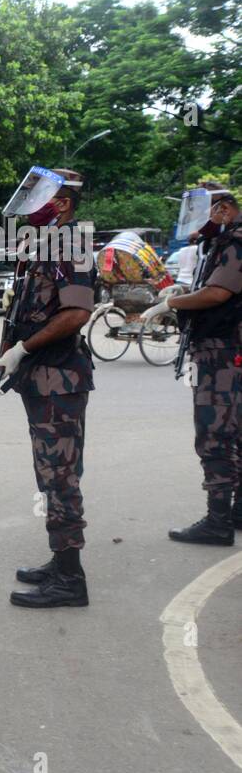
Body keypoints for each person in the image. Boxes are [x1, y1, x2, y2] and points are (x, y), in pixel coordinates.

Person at [0, 168, 95, 608]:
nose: (32, 203)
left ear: (64, 203)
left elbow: (75, 314)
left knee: (60, 477)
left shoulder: (73, 242)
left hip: (59, 379)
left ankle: (71, 580)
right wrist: (7, 354)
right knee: (51, 474)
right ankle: (61, 561)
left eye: (42, 195)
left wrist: (23, 348)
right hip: (42, 380)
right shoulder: (47, 244)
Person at [143, 184, 242, 543]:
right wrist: (181, 295)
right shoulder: (222, 242)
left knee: (214, 433)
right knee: (235, 432)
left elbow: (218, 293)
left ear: (226, 210)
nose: (199, 225)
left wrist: (173, 305)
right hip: (226, 348)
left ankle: (218, 523)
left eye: (206, 215)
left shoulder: (235, 242)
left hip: (222, 351)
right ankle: (237, 511)